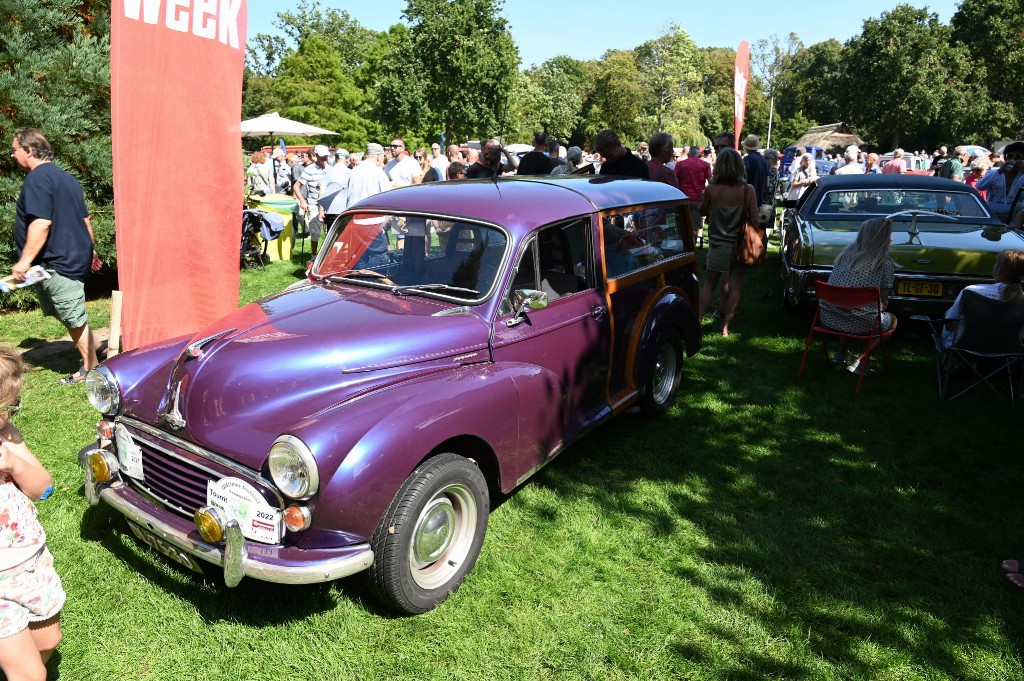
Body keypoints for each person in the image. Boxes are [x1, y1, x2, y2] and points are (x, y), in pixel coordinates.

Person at [9, 128, 100, 385]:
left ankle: (90, 368)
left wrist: (24, 261)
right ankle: (96, 345)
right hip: (68, 259)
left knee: (71, 314)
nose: (13, 156)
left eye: (15, 150)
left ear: (28, 150)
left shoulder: (38, 179)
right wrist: (89, 250)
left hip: (57, 262)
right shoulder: (67, 179)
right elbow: (85, 221)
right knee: (65, 311)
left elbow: (41, 223)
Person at [0, 346, 65, 681]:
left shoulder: (6, 436)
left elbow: (44, 488)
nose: (10, 414)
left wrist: (13, 463)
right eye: (5, 406)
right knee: (30, 674)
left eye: (12, 406)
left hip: (31, 562)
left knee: (49, 639)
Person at [820, 217, 898, 375]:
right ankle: (861, 362)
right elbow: (883, 302)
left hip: (828, 317)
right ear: (881, 238)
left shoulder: (844, 256)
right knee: (892, 320)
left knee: (850, 306)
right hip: (860, 322)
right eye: (889, 234)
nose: (892, 238)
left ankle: (840, 354)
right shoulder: (884, 263)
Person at [698, 148, 759, 337]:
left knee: (709, 285)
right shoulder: (747, 190)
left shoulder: (711, 189)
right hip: (739, 246)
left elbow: (701, 211)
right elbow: (756, 221)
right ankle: (725, 327)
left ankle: (696, 322)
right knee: (735, 286)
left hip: (717, 243)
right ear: (739, 167)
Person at [941, 248, 1024, 348]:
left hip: (966, 349)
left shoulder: (971, 292)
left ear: (998, 270)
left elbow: (949, 325)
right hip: (1008, 352)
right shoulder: (1021, 298)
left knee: (951, 316)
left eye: (996, 263)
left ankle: (950, 361)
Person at [294, 145, 330, 258]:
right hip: (314, 203)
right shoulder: (310, 169)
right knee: (315, 231)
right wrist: (302, 202)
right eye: (322, 157)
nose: (325, 159)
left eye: (326, 156)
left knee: (330, 232)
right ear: (316, 155)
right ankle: (314, 256)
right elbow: (296, 186)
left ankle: (329, 256)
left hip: (330, 204)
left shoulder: (331, 168)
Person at [977, 142, 1024, 221]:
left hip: (1016, 218)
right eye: (1009, 156)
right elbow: (979, 186)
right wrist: (1000, 170)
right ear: (1005, 158)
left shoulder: (1022, 176)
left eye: (1018, 157)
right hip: (993, 216)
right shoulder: (994, 173)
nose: (1013, 159)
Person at [675, 146, 712, 244]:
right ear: (698, 154)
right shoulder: (705, 165)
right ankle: (693, 245)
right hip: (697, 198)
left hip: (683, 198)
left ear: (689, 153)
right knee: (695, 225)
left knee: (683, 223)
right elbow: (710, 181)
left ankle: (685, 245)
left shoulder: (680, 165)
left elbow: (674, 179)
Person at [741, 135, 769, 206]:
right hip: (759, 199)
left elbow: (741, 178)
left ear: (746, 147)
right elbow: (767, 184)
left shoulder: (747, 159)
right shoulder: (765, 161)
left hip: (746, 198)